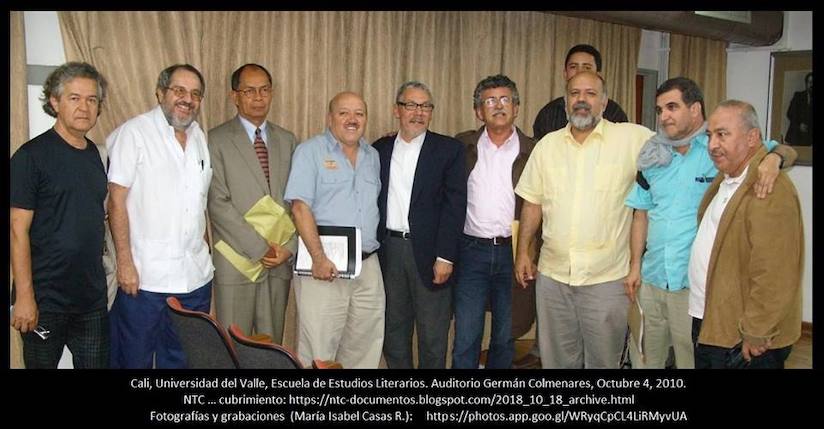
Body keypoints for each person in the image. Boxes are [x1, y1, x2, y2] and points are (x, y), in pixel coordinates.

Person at [624, 77, 797, 369]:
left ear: (695, 110)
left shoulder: (717, 151)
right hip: (652, 278)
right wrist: (634, 266)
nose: (664, 115)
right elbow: (640, 212)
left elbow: (778, 149)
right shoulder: (652, 156)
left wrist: (774, 159)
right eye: (659, 109)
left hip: (691, 287)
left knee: (691, 358)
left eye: (672, 107)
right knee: (645, 357)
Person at [514, 71, 654, 369]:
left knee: (603, 364)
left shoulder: (632, 139)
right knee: (557, 364)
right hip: (553, 280)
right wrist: (523, 251)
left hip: (607, 281)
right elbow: (532, 203)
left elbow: (681, 143)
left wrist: (773, 155)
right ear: (566, 102)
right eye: (575, 93)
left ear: (604, 102)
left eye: (590, 93)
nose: (582, 99)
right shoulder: (547, 146)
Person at [106, 64, 214, 368]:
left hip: (194, 280)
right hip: (144, 279)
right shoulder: (134, 133)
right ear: (160, 92)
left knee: (181, 361)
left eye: (195, 94)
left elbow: (198, 205)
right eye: (179, 90)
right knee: (132, 361)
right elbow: (116, 202)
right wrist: (125, 264)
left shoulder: (199, 138)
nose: (187, 99)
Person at [689, 100, 803, 369]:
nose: (713, 145)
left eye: (722, 134)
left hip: (743, 338)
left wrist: (757, 330)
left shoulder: (768, 186)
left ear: (752, 138)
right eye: (710, 135)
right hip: (713, 322)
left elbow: (775, 272)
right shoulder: (728, 177)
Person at [10, 62, 110, 368]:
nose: (84, 107)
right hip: (45, 301)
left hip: (91, 300)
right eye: (75, 98)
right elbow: (16, 231)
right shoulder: (30, 156)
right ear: (55, 102)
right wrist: (25, 297)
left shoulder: (96, 155)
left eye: (92, 100)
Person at [284, 92, 384, 368]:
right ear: (330, 118)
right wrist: (318, 257)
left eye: (359, 114)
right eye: (344, 113)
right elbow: (300, 208)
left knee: (365, 348)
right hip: (322, 266)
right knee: (318, 349)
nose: (352, 120)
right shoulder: (310, 151)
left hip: (367, 268)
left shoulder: (372, 156)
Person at [372, 82, 466, 369]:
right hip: (389, 253)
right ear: (396, 110)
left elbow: (455, 206)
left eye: (425, 106)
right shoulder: (379, 149)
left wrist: (446, 256)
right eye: (411, 105)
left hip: (431, 255)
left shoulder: (449, 149)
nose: (419, 112)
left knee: (432, 336)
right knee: (394, 334)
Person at [452, 74, 538, 369]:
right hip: (470, 251)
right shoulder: (462, 146)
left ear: (516, 107)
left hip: (515, 252)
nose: (498, 106)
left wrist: (531, 253)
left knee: (505, 335)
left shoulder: (535, 150)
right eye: (490, 101)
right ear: (479, 111)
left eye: (505, 100)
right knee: (466, 335)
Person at [207, 64, 298, 344]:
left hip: (278, 261)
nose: (258, 97)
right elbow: (217, 203)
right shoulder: (214, 139)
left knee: (270, 348)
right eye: (249, 90)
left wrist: (289, 249)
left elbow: (299, 201)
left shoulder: (288, 140)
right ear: (235, 96)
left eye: (265, 90)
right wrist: (260, 248)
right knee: (233, 347)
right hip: (237, 261)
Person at [532, 44, 628, 141]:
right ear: (565, 74)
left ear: (598, 75)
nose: (580, 72)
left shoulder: (614, 113)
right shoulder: (548, 113)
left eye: (587, 67)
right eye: (573, 67)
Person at [785, 72, 812, 146]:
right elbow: (790, 113)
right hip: (795, 136)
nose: (811, 85)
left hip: (809, 140)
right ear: (806, 84)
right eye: (810, 82)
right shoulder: (798, 96)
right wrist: (799, 124)